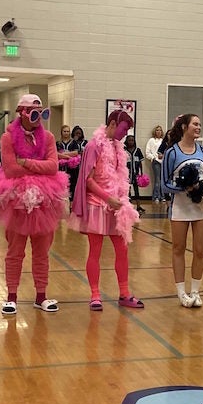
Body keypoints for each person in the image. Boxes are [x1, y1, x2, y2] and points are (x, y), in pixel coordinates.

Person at [0, 95, 67, 315]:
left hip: (44, 200)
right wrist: (36, 166)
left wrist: (27, 163)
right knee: (15, 251)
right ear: (22, 113)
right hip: (17, 201)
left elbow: (53, 166)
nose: (39, 118)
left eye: (43, 113)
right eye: (34, 113)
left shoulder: (48, 137)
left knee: (42, 251)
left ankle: (41, 295)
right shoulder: (7, 138)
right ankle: (11, 296)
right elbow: (11, 170)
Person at [69, 111, 142, 311]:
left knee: (122, 250)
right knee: (95, 250)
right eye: (124, 129)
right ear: (112, 124)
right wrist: (107, 197)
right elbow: (88, 179)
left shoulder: (118, 148)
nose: (126, 133)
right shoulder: (94, 146)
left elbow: (120, 177)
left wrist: (120, 198)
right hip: (98, 204)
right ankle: (95, 294)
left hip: (115, 206)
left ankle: (124, 293)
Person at [162, 114, 203, 308]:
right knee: (178, 248)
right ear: (184, 126)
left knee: (200, 250)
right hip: (180, 206)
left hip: (202, 207)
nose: (198, 127)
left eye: (200, 124)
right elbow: (164, 185)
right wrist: (186, 188)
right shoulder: (172, 152)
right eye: (195, 124)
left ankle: (195, 291)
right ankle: (181, 292)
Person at [56, 124, 80, 200]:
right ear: (61, 132)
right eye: (64, 131)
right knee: (61, 185)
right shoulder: (58, 143)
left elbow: (75, 153)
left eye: (68, 131)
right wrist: (67, 156)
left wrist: (62, 154)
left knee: (72, 185)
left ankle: (71, 204)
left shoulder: (74, 142)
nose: (66, 133)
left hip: (72, 168)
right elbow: (56, 154)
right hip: (61, 168)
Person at [124, 135, 145, 213]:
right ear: (126, 141)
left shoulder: (138, 150)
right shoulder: (124, 150)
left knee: (136, 190)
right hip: (127, 174)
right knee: (128, 191)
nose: (131, 142)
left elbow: (140, 163)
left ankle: (138, 206)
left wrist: (141, 172)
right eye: (129, 140)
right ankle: (129, 206)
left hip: (135, 174)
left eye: (132, 140)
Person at [145, 125, 166, 203]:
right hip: (156, 162)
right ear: (155, 131)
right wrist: (153, 158)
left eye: (160, 130)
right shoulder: (151, 140)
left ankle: (163, 196)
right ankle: (156, 196)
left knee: (162, 179)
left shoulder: (163, 141)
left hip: (163, 162)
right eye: (157, 130)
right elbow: (147, 152)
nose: (159, 132)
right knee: (157, 179)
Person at [68, 126, 87, 201]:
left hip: (83, 164)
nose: (78, 135)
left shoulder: (85, 142)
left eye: (79, 133)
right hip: (74, 167)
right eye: (76, 133)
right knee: (74, 183)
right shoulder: (71, 142)